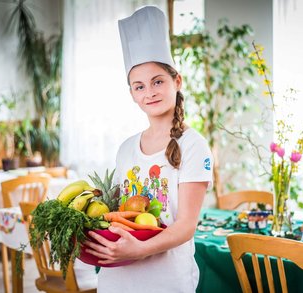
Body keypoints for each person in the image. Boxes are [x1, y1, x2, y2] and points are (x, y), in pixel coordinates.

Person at [83, 6, 213, 292]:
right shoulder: (126, 148)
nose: (149, 92)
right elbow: (116, 210)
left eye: (157, 81)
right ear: (132, 94)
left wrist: (139, 250)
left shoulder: (194, 146)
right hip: (116, 279)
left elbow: (186, 226)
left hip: (166, 280)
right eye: (139, 86)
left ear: (176, 82)